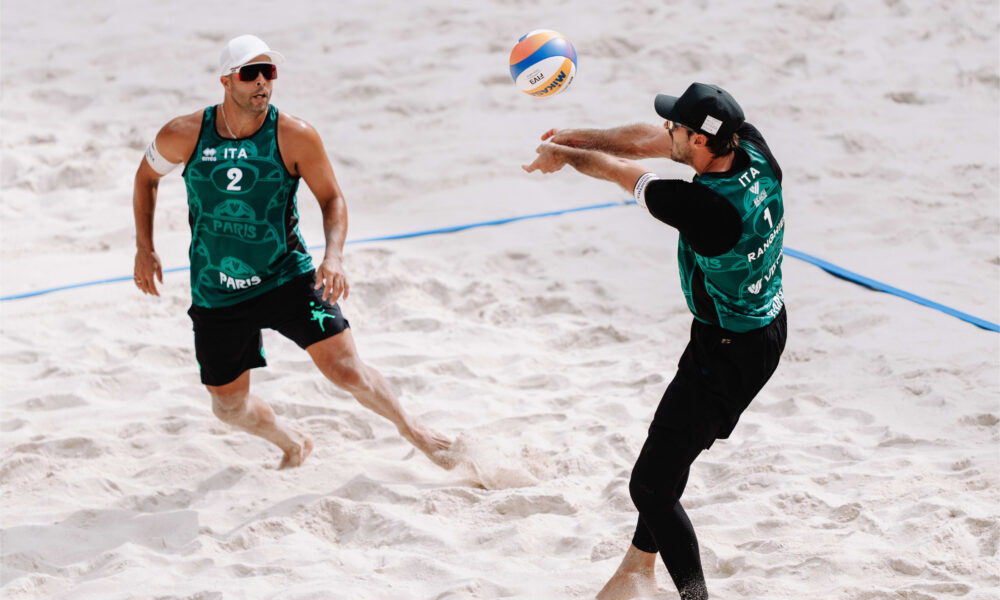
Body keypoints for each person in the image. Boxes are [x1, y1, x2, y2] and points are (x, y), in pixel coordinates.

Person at [132, 34, 452, 470]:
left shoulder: (294, 135)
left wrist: (333, 257)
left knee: (346, 370)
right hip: (217, 291)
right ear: (226, 81)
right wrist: (145, 248)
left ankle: (416, 432)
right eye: (251, 73)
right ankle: (292, 442)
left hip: (287, 278)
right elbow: (146, 178)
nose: (262, 82)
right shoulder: (185, 133)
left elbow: (332, 198)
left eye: (269, 72)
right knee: (228, 408)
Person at [523, 83, 788, 600]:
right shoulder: (752, 147)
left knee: (649, 486)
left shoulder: (703, 208)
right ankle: (637, 570)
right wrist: (577, 136)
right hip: (760, 328)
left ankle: (695, 598)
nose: (668, 129)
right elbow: (649, 140)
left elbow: (620, 171)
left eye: (677, 127)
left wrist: (566, 156)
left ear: (700, 141)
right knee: (671, 458)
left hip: (728, 355)